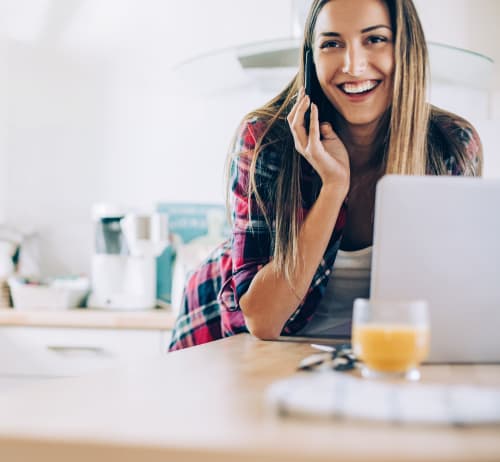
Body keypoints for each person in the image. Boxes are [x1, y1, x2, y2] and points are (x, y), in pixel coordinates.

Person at [168, 0, 482, 351]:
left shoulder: (450, 146)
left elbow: (453, 303)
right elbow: (263, 320)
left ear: (407, 49)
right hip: (230, 344)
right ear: (310, 59)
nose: (353, 65)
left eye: (375, 39)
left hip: (370, 358)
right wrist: (333, 188)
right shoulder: (266, 141)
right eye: (332, 43)